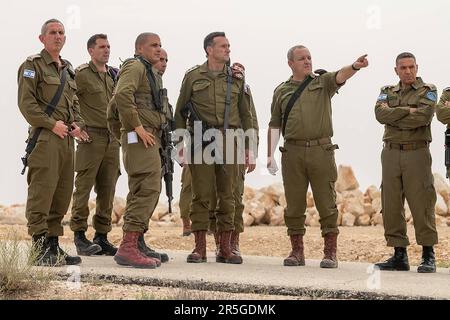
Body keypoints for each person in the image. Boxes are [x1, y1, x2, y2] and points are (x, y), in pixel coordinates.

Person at [267, 45, 368, 269]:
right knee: (293, 205)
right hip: (292, 152)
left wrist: (354, 66)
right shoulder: (281, 90)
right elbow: (275, 123)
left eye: (309, 57)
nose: (307, 61)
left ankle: (330, 253)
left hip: (321, 151)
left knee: (327, 203)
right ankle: (296, 251)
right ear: (290, 63)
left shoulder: (322, 83)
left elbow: (341, 76)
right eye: (301, 58)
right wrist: (270, 154)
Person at [175, 32, 257, 264]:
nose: (228, 49)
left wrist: (249, 148)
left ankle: (225, 247)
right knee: (200, 195)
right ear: (209, 49)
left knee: (228, 194)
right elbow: (180, 112)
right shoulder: (192, 77)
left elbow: (246, 115)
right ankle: (199, 247)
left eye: (229, 46)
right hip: (201, 138)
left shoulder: (236, 79)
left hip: (230, 139)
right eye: (223, 46)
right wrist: (179, 144)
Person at [18, 18, 89, 266]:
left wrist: (77, 124)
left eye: (61, 32)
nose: (58, 36)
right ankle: (38, 249)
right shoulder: (32, 66)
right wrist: (51, 124)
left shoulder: (68, 70)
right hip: (46, 137)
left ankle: (53, 246)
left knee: (61, 193)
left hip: (67, 140)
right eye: (52, 32)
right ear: (42, 38)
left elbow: (75, 104)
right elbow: (26, 105)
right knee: (42, 192)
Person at [374, 52, 438, 273]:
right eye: (403, 68)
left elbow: (423, 116)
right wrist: (407, 111)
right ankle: (399, 255)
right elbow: (380, 115)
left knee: (422, 202)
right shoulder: (386, 91)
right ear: (396, 70)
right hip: (390, 153)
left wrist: (395, 115)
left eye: (411, 67)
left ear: (417, 68)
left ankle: (428, 254)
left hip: (417, 153)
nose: (408, 71)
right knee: (391, 203)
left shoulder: (428, 90)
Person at [111, 33, 170, 269]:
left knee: (146, 188)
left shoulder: (148, 71)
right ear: (139, 48)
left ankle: (137, 243)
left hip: (147, 137)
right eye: (153, 45)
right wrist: (135, 129)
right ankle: (128, 248)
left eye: (160, 45)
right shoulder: (135, 66)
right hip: (141, 137)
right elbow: (121, 97)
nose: (158, 49)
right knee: (147, 186)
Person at [70, 34, 120, 256]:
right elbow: (69, 99)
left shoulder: (113, 76)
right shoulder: (81, 74)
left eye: (108, 46)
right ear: (91, 50)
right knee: (83, 188)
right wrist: (76, 126)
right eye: (101, 47)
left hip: (112, 140)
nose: (106, 50)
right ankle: (80, 236)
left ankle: (102, 235)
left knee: (107, 189)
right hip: (91, 138)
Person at [208, 62, 259, 257]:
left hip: (236, 144)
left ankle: (232, 241)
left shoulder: (242, 88)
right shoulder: (207, 83)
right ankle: (219, 242)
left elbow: (251, 120)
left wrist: (251, 149)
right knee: (213, 195)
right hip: (210, 143)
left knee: (234, 194)